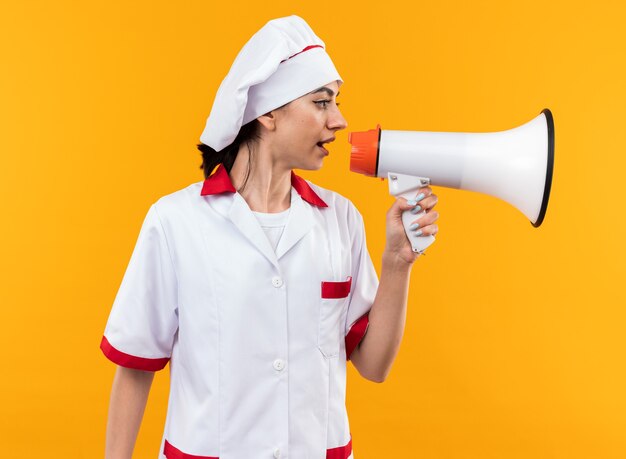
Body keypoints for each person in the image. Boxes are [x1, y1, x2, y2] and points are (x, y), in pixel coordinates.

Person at [101, 15, 439, 459]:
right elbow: (134, 365)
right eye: (322, 103)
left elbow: (373, 366)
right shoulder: (176, 222)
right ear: (268, 113)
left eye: (335, 103)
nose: (339, 121)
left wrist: (398, 261)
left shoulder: (341, 219)